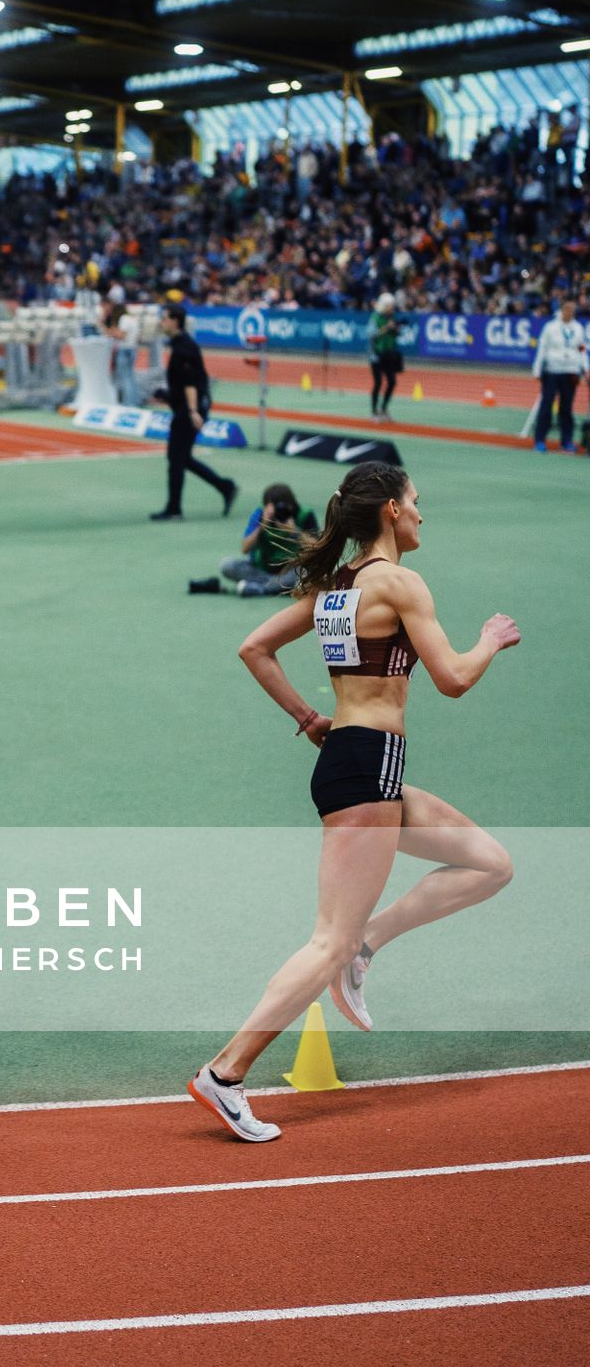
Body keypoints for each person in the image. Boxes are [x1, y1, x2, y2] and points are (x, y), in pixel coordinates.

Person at [187, 461, 519, 1142]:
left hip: (357, 763)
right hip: (368, 769)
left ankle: (367, 947)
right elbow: (452, 679)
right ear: (391, 511)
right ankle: (224, 1074)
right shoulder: (398, 582)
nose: (423, 514)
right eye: (416, 502)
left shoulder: (338, 589)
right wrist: (488, 642)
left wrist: (311, 720)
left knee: (489, 864)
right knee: (325, 940)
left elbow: (255, 648)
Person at [150, 304, 236, 522]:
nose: (162, 322)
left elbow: (190, 383)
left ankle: (175, 509)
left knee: (176, 458)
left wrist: (192, 411)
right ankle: (224, 486)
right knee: (181, 458)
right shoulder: (180, 345)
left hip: (189, 411)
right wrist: (168, 396)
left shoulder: (184, 348)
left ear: (175, 321)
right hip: (186, 408)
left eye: (165, 318)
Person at [193, 483, 317, 597]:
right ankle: (278, 587)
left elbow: (318, 548)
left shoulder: (304, 514)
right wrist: (263, 525)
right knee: (227, 565)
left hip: (291, 571)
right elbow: (245, 548)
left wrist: (295, 532)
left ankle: (260, 589)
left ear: (292, 504)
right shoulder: (260, 514)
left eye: (284, 506)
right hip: (261, 570)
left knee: (305, 573)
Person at [530, 295, 587, 453]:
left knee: (567, 408)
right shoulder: (550, 327)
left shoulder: (578, 328)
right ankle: (540, 440)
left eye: (573, 310)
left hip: (570, 372)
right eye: (568, 309)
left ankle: (566, 441)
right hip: (552, 371)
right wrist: (537, 368)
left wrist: (585, 369)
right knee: (546, 406)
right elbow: (542, 348)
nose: (571, 312)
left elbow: (581, 350)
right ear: (561, 310)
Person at [368, 292, 403, 419]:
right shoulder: (375, 318)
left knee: (392, 382)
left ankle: (383, 408)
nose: (392, 308)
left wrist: (396, 329)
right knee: (378, 383)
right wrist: (386, 328)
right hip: (376, 355)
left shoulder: (392, 317)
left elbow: (397, 334)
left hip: (389, 354)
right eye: (390, 306)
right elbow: (372, 335)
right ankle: (374, 411)